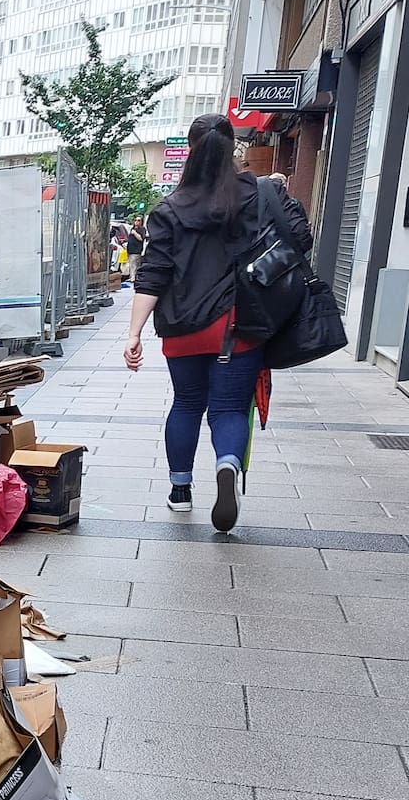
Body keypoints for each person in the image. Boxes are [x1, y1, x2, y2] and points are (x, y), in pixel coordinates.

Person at [124, 114, 312, 532]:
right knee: (228, 408)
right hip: (239, 324)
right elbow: (300, 238)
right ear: (234, 150)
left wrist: (134, 333)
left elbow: (153, 272)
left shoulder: (170, 208)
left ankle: (180, 490)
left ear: (191, 150)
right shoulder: (261, 194)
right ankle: (227, 466)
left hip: (182, 326)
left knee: (187, 404)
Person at [126, 214, 148, 283]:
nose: (136, 222)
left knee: (134, 264)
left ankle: (133, 278)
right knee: (131, 264)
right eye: (135, 220)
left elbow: (141, 238)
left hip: (136, 250)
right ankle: (132, 277)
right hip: (130, 249)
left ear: (141, 222)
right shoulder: (132, 228)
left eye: (139, 220)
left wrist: (135, 233)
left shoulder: (142, 229)